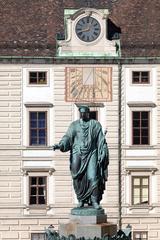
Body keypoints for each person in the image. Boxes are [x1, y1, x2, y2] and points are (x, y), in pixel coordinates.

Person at [53, 106, 109, 209]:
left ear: (88, 113)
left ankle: (94, 200)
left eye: (85, 113)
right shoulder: (74, 125)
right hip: (77, 153)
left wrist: (102, 152)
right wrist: (60, 145)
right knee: (77, 177)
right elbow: (68, 137)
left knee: (93, 177)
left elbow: (101, 140)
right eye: (81, 113)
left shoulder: (95, 124)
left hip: (92, 153)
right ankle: (81, 199)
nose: (83, 115)